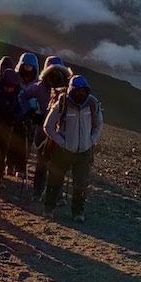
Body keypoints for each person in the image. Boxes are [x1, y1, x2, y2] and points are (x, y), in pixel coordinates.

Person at [42, 74, 104, 221]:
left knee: (80, 185)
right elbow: (47, 126)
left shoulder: (92, 103)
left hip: (83, 151)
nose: (80, 93)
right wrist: (62, 142)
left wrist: (91, 141)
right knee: (55, 181)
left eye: (83, 90)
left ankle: (78, 212)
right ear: (71, 90)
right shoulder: (62, 103)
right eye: (78, 90)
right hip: (63, 151)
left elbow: (99, 124)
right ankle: (49, 208)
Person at [31, 57, 74, 198]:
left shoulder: (62, 91)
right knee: (47, 161)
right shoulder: (43, 87)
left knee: (50, 162)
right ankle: (44, 192)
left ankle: (48, 192)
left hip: (54, 129)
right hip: (48, 129)